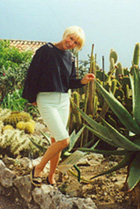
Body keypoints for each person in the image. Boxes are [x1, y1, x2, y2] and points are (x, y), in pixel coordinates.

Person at [22, 25, 95, 186]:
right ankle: (39, 169)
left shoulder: (70, 58)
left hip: (63, 100)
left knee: (57, 139)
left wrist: (83, 81)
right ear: (65, 34)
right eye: (71, 38)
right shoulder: (45, 50)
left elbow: (69, 82)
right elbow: (33, 74)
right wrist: (31, 97)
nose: (71, 43)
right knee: (64, 140)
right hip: (46, 99)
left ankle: (51, 177)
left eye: (75, 42)